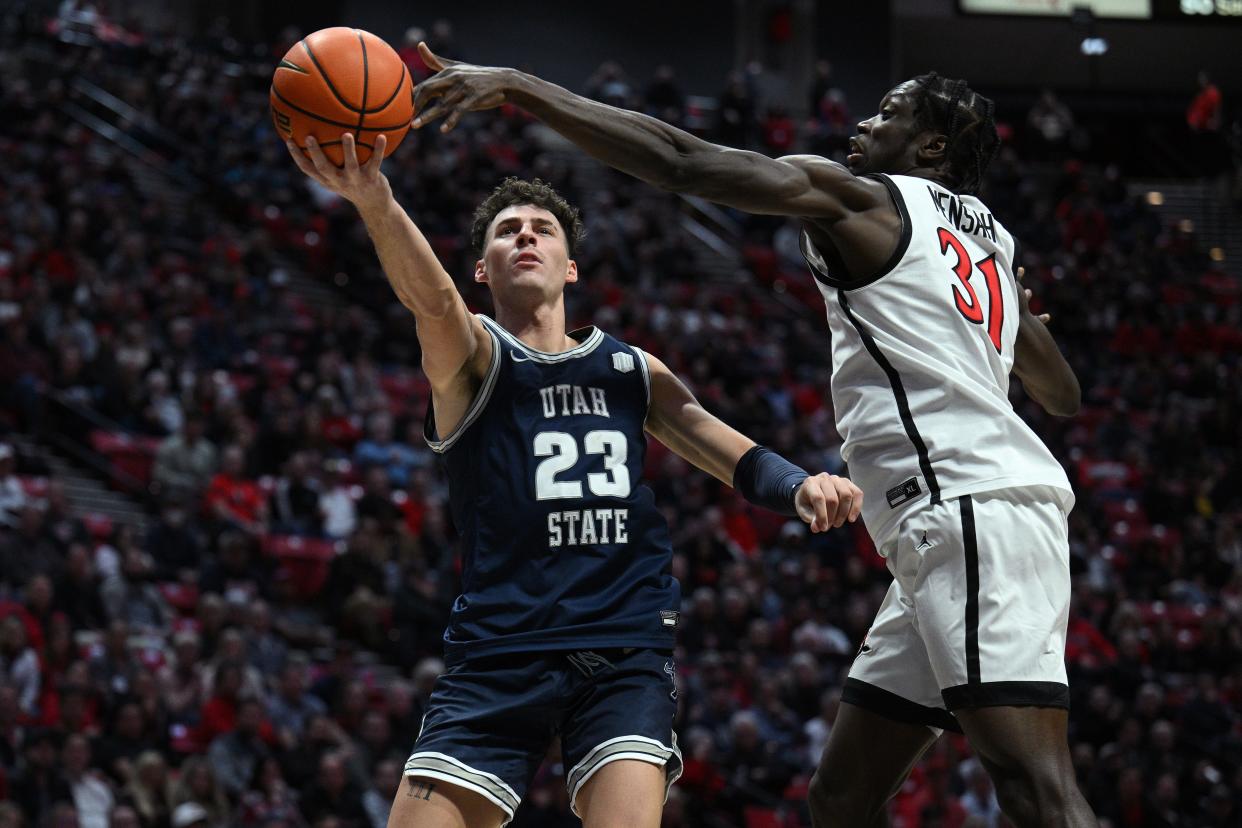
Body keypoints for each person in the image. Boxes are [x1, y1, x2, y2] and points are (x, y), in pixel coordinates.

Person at [412, 54, 1097, 828]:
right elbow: (1062, 394)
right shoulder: (991, 245)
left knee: (1037, 789)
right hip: (951, 522)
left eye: (892, 112)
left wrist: (522, 89)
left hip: (968, 507)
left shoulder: (861, 198)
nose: (866, 123)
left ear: (930, 148)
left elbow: (681, 161)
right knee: (840, 801)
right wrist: (1014, 314)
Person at [284, 133, 861, 828]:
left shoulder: (629, 370)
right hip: (500, 646)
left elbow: (726, 448)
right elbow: (432, 304)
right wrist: (376, 200)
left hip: (620, 641)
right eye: (506, 232)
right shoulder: (473, 360)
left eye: (542, 230)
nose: (525, 237)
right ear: (481, 269)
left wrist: (801, 486)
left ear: (571, 267)